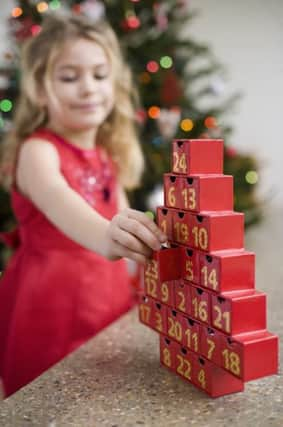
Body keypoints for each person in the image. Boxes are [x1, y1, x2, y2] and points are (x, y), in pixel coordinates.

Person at [0, 13, 167, 398]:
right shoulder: (37, 151)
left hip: (107, 298)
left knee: (104, 397)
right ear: (41, 90)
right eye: (69, 77)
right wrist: (110, 235)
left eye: (99, 74)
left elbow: (126, 222)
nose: (88, 88)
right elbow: (64, 206)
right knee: (53, 403)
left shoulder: (108, 155)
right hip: (51, 310)